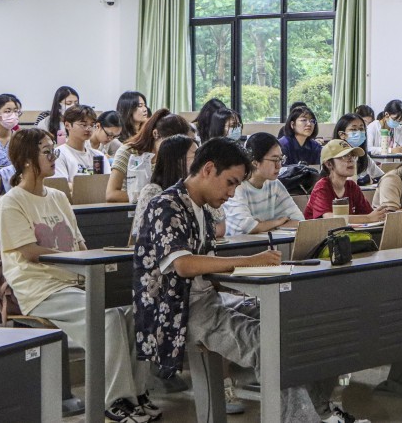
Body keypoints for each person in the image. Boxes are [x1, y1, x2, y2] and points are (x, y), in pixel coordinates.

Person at [134, 137, 367, 423]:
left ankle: (322, 411)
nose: (232, 193)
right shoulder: (165, 205)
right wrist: (250, 261)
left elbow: (205, 272)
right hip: (176, 311)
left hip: (208, 300)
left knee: (304, 324)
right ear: (208, 169)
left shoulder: (201, 208)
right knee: (267, 342)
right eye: (230, 182)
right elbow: (183, 265)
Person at [0, 128, 158, 422]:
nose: (53, 157)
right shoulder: (12, 202)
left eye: (53, 150)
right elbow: (30, 251)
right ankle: (116, 400)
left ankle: (138, 392)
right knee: (107, 318)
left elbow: (79, 244)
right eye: (47, 152)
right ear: (27, 160)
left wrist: (93, 260)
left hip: (77, 280)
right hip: (41, 288)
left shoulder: (58, 197)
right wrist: (79, 261)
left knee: (136, 311)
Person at [224, 133, 304, 235]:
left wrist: (263, 226)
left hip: (266, 242)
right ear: (255, 163)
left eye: (281, 159)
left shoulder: (274, 184)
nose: (279, 166)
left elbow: (299, 220)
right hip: (239, 244)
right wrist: (278, 222)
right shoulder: (237, 187)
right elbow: (248, 227)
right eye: (274, 160)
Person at [107, 110, 192, 203]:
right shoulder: (128, 151)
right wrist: (150, 197)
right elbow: (111, 194)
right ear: (155, 134)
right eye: (170, 144)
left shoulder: (174, 156)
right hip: (129, 208)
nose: (173, 150)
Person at [304, 140, 389, 223]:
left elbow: (368, 213)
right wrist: (368, 218)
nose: (351, 160)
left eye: (353, 156)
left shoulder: (352, 186)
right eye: (345, 156)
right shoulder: (322, 187)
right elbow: (330, 219)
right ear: (329, 164)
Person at [130, 135, 198, 239]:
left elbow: (219, 227)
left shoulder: (195, 188)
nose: (201, 161)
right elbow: (143, 233)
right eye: (195, 155)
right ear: (178, 160)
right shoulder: (152, 191)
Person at [53, 105, 112, 183]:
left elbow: (107, 184)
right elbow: (61, 185)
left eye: (92, 125)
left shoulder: (99, 156)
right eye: (83, 125)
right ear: (67, 125)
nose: (88, 129)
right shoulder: (58, 154)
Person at [333, 114, 384, 184]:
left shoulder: (364, 157)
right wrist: (363, 181)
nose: (359, 133)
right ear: (342, 134)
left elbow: (382, 177)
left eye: (361, 129)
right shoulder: (334, 158)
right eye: (353, 129)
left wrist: (372, 180)